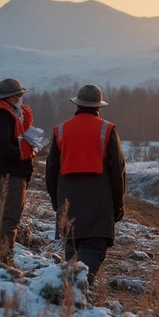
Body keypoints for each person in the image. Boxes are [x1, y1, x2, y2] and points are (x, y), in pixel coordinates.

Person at [45, 84, 126, 285]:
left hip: (68, 199)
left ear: (78, 105)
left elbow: (51, 170)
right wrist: (118, 204)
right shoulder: (107, 129)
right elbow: (118, 171)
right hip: (99, 201)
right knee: (94, 248)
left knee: (72, 247)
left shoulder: (60, 130)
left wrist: (57, 203)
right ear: (98, 107)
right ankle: (78, 288)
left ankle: (69, 293)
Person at [0, 78, 36, 264]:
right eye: (20, 95)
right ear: (12, 97)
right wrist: (24, 151)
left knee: (3, 217)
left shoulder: (9, 113)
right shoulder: (2, 116)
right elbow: (3, 145)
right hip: (8, 174)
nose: (22, 98)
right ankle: (2, 261)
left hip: (9, 173)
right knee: (9, 218)